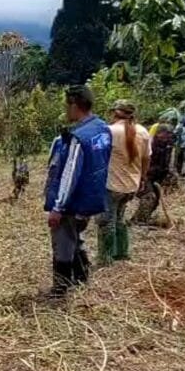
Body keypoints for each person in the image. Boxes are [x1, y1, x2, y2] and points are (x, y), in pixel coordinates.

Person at [44, 86, 112, 299]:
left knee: (63, 241)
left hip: (72, 201)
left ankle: (61, 288)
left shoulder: (78, 138)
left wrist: (57, 207)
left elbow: (70, 174)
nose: (66, 110)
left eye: (67, 105)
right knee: (76, 236)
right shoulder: (102, 129)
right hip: (91, 198)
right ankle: (81, 277)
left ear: (75, 105)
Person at [97, 100, 151, 265]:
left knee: (107, 221)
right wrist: (142, 178)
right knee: (120, 218)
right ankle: (122, 253)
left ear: (115, 113)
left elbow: (97, 156)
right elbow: (146, 158)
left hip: (112, 184)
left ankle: (106, 259)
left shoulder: (109, 131)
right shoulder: (143, 131)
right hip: (131, 186)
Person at [133, 111, 178, 224]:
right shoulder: (150, 141)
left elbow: (169, 159)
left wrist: (169, 172)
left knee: (155, 198)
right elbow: (146, 157)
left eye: (169, 134)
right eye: (163, 134)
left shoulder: (169, 143)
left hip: (159, 172)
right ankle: (139, 221)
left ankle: (141, 219)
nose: (166, 136)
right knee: (149, 196)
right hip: (147, 171)